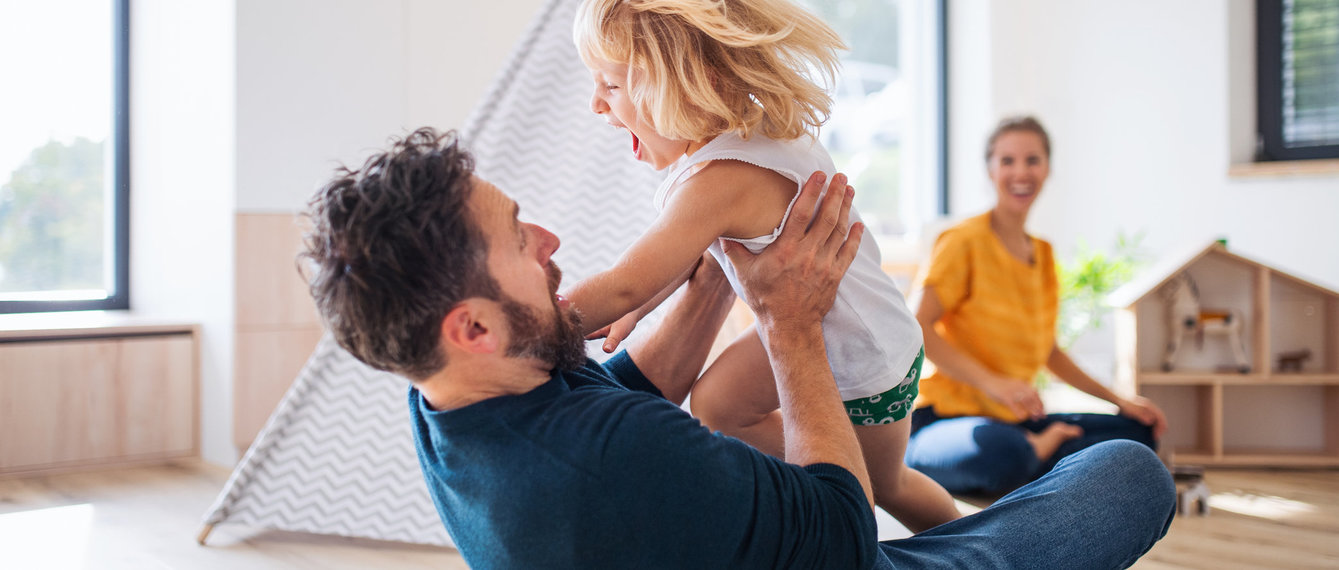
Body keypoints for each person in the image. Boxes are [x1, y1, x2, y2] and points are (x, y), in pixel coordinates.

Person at [302, 127, 1175, 569]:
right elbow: (842, 533)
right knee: (1128, 476)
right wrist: (789, 323)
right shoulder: (603, 470)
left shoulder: (446, 401)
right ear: (473, 327)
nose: (547, 237)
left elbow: (627, 387)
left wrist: (716, 254)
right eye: (516, 239)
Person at [565, 0, 959, 531]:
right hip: (843, 327)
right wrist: (638, 308)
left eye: (611, 86)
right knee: (716, 405)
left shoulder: (719, 181)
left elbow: (623, 283)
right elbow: (670, 262)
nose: (595, 104)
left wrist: (537, 327)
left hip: (861, 357)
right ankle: (822, 481)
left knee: (890, 484)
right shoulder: (758, 130)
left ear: (684, 83)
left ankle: (968, 547)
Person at [905, 115, 1170, 497]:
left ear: (1047, 168)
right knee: (1001, 454)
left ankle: (1041, 452)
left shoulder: (1043, 255)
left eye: (1032, 160)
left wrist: (1120, 401)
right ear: (991, 169)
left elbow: (1049, 352)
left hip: (1016, 421)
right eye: (1007, 160)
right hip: (943, 422)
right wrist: (994, 384)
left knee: (1136, 434)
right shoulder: (962, 241)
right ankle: (1041, 453)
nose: (1020, 172)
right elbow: (917, 326)